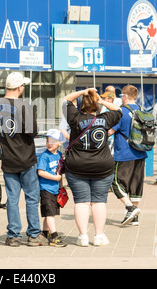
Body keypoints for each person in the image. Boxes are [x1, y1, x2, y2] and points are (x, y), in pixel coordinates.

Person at [0, 72, 47, 247]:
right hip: (26, 158)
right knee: (31, 198)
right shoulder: (24, 106)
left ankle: (14, 235)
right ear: (19, 88)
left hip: (8, 160)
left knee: (12, 199)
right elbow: (32, 132)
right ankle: (33, 235)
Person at [63, 88, 122, 246]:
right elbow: (119, 110)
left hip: (76, 166)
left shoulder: (74, 118)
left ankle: (83, 236)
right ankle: (99, 236)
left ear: (81, 105)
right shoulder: (106, 118)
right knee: (99, 202)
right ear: (96, 106)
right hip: (102, 166)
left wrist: (83, 91)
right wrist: (101, 102)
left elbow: (66, 99)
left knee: (81, 202)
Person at [108, 85, 147, 226]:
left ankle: (130, 207)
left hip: (124, 154)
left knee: (115, 182)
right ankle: (135, 218)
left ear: (125, 96)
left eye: (121, 96)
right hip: (141, 153)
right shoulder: (141, 110)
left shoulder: (121, 112)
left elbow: (110, 132)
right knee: (135, 186)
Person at [37, 129, 67, 247]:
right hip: (46, 189)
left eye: (53, 141)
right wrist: (55, 178)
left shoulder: (59, 155)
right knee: (50, 214)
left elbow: (61, 172)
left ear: (59, 143)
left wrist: (61, 186)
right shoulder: (45, 156)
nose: (49, 143)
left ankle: (45, 234)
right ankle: (54, 236)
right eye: (48, 140)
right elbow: (41, 172)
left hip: (55, 189)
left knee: (50, 213)